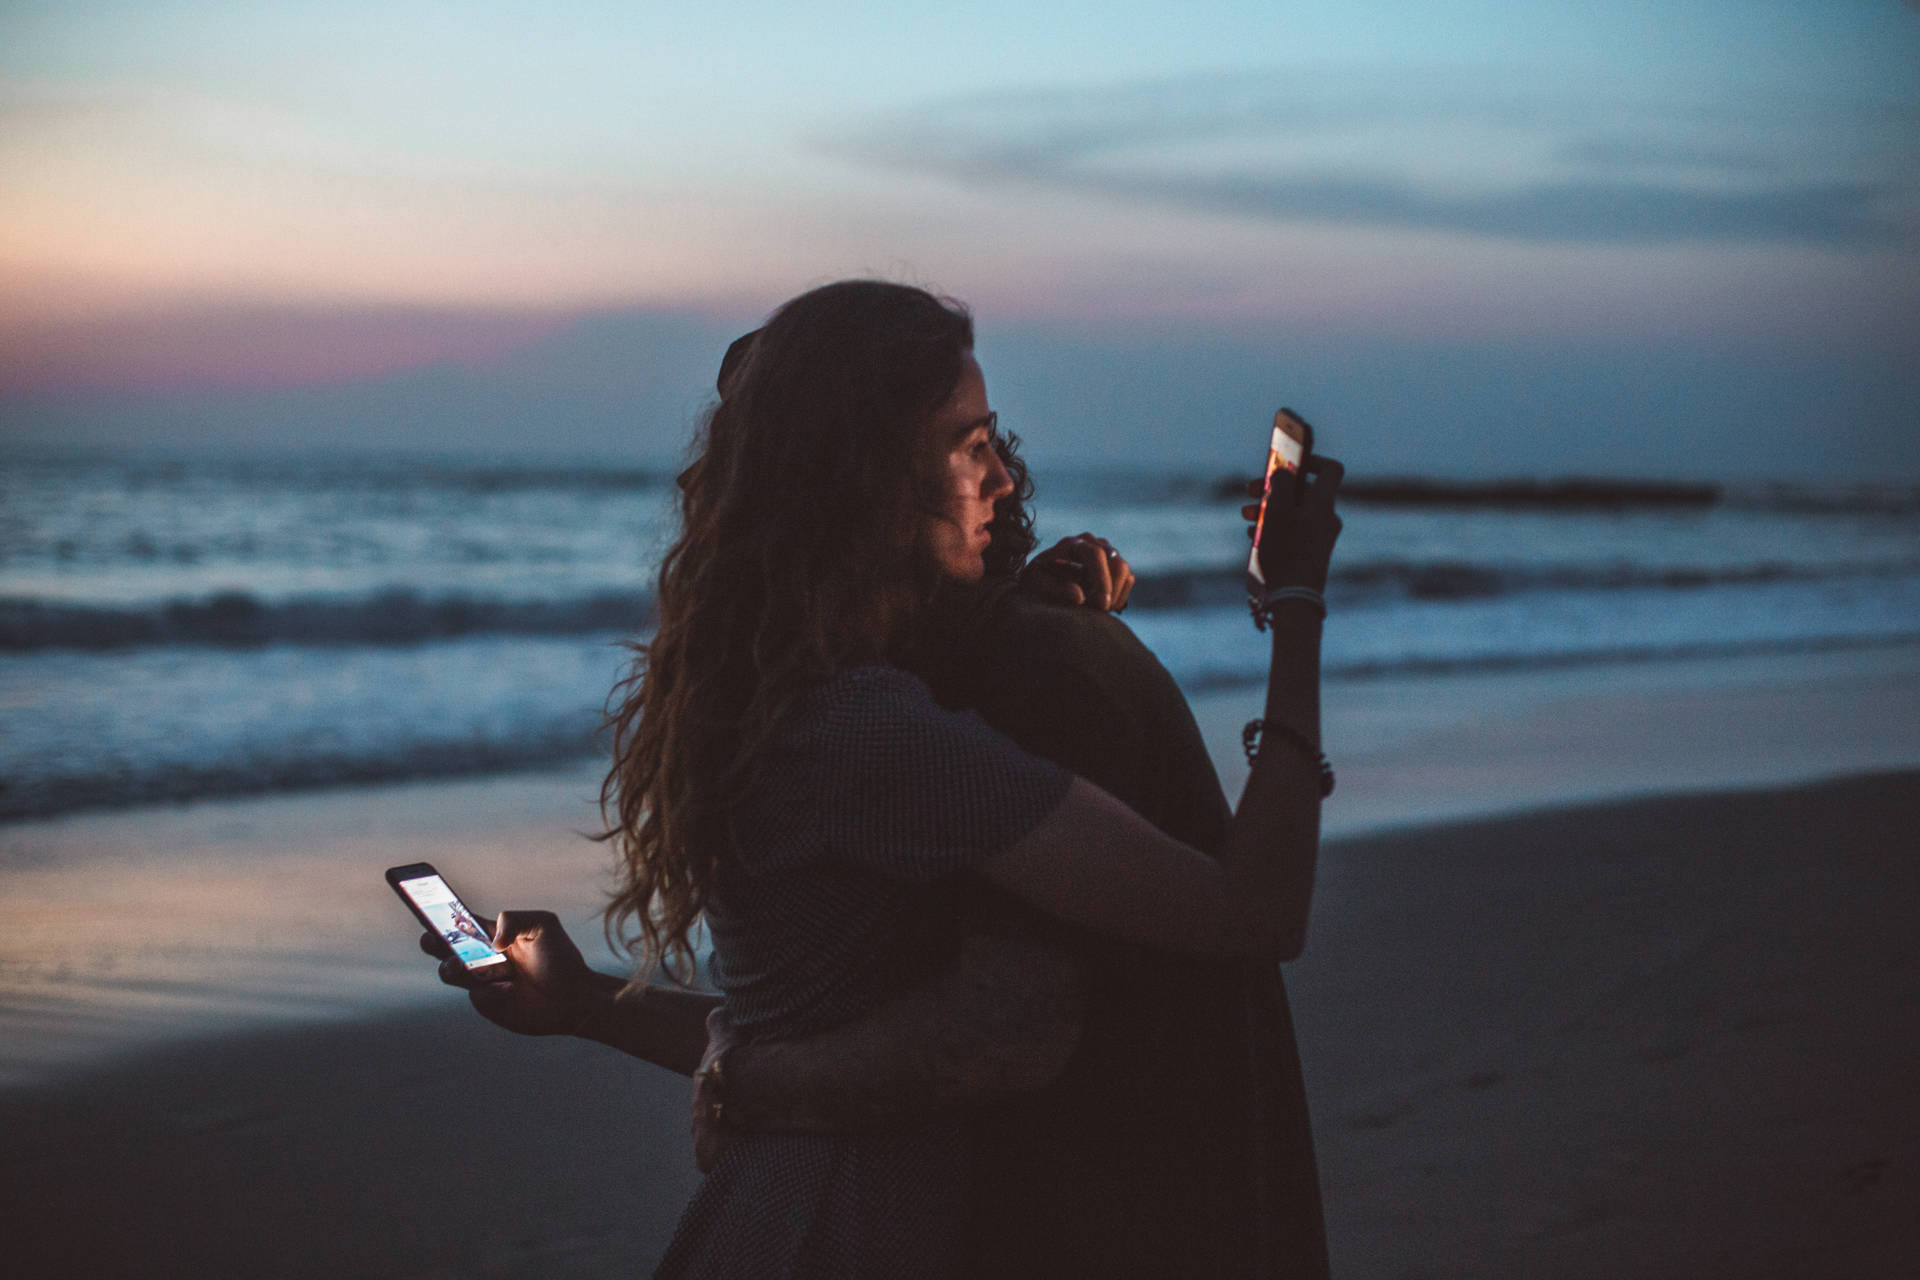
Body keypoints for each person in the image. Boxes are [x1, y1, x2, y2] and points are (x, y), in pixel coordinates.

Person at [423, 279, 1342, 1277]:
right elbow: (1256, 908)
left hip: (780, 1214)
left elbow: (784, 1045)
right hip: (841, 1231)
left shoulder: (783, 696)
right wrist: (1296, 607)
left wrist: (582, 1002)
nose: (1004, 476)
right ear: (870, 479)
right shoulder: (876, 734)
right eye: (971, 443)